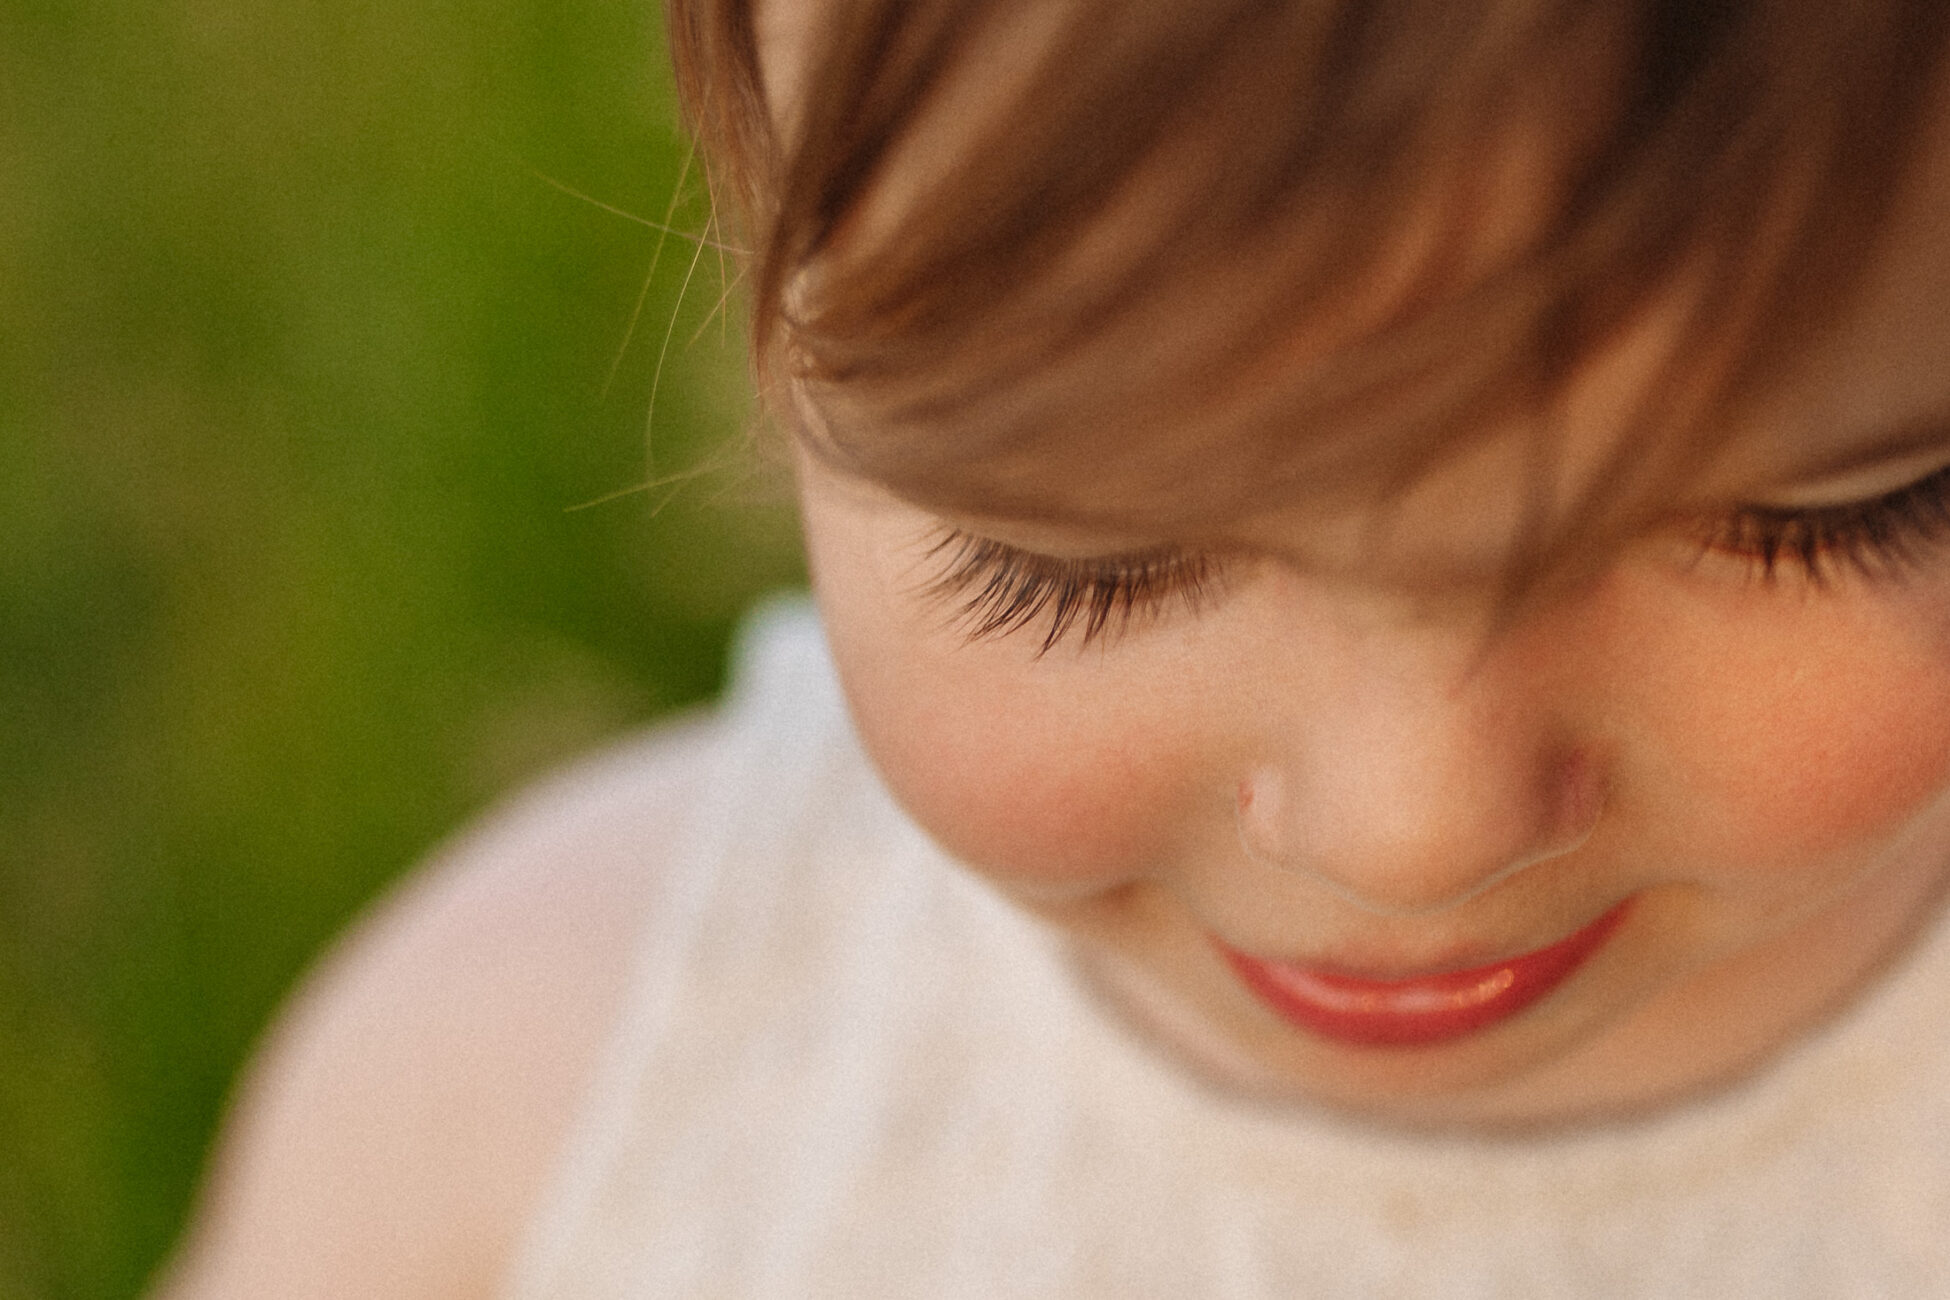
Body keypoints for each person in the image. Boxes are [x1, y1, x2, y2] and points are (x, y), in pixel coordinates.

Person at [161, 0, 1950, 1293]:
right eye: (1084, 564)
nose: (1410, 835)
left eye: (1811, 525)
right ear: (771, 313)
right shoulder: (542, 1094)